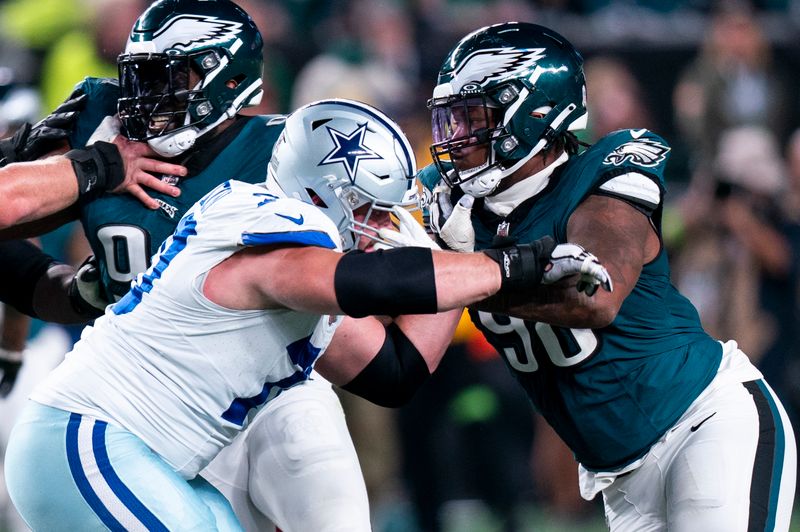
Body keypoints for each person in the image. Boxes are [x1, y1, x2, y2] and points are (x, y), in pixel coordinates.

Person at [3, 97, 609, 530]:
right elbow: (364, 279)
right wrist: (512, 265)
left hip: (141, 455)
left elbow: (394, 371)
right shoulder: (273, 231)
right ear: (327, 189)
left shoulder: (302, 272)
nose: (382, 229)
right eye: (374, 210)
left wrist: (458, 256)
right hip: (89, 441)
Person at [420, 22, 796, 531]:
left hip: (704, 423)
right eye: (448, 122)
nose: (455, 140)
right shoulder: (451, 208)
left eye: (472, 119)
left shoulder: (608, 168)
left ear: (532, 113)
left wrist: (466, 268)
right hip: (619, 477)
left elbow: (594, 293)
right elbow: (400, 352)